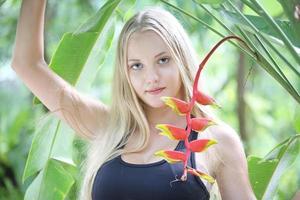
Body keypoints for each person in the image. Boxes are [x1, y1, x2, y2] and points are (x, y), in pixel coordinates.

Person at [12, 0, 256, 199]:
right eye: (136, 66)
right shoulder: (111, 128)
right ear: (125, 73)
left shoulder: (216, 141)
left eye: (163, 60)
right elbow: (27, 65)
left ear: (182, 59)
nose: (151, 77)